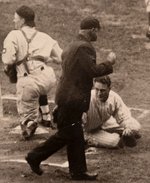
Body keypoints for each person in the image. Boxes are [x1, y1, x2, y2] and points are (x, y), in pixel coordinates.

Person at [25, 16, 116, 181]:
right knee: (68, 134)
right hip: (72, 99)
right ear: (92, 29)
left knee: (75, 135)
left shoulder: (71, 46)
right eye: (97, 31)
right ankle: (34, 156)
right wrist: (109, 63)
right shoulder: (84, 48)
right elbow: (92, 71)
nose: (97, 34)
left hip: (66, 97)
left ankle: (78, 171)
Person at [2, 5, 62, 140]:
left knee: (27, 118)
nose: (14, 21)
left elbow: (8, 60)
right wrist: (43, 58)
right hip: (48, 78)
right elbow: (60, 58)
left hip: (29, 82)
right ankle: (46, 117)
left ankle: (30, 122)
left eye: (15, 19)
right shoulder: (44, 36)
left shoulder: (14, 35)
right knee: (39, 87)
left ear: (22, 20)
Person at [83, 76, 141, 149]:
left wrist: (128, 128)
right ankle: (88, 138)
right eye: (97, 89)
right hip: (89, 130)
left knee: (135, 126)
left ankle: (125, 134)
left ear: (109, 89)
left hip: (103, 123)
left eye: (102, 90)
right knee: (114, 141)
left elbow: (123, 117)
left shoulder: (114, 97)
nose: (99, 93)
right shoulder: (87, 99)